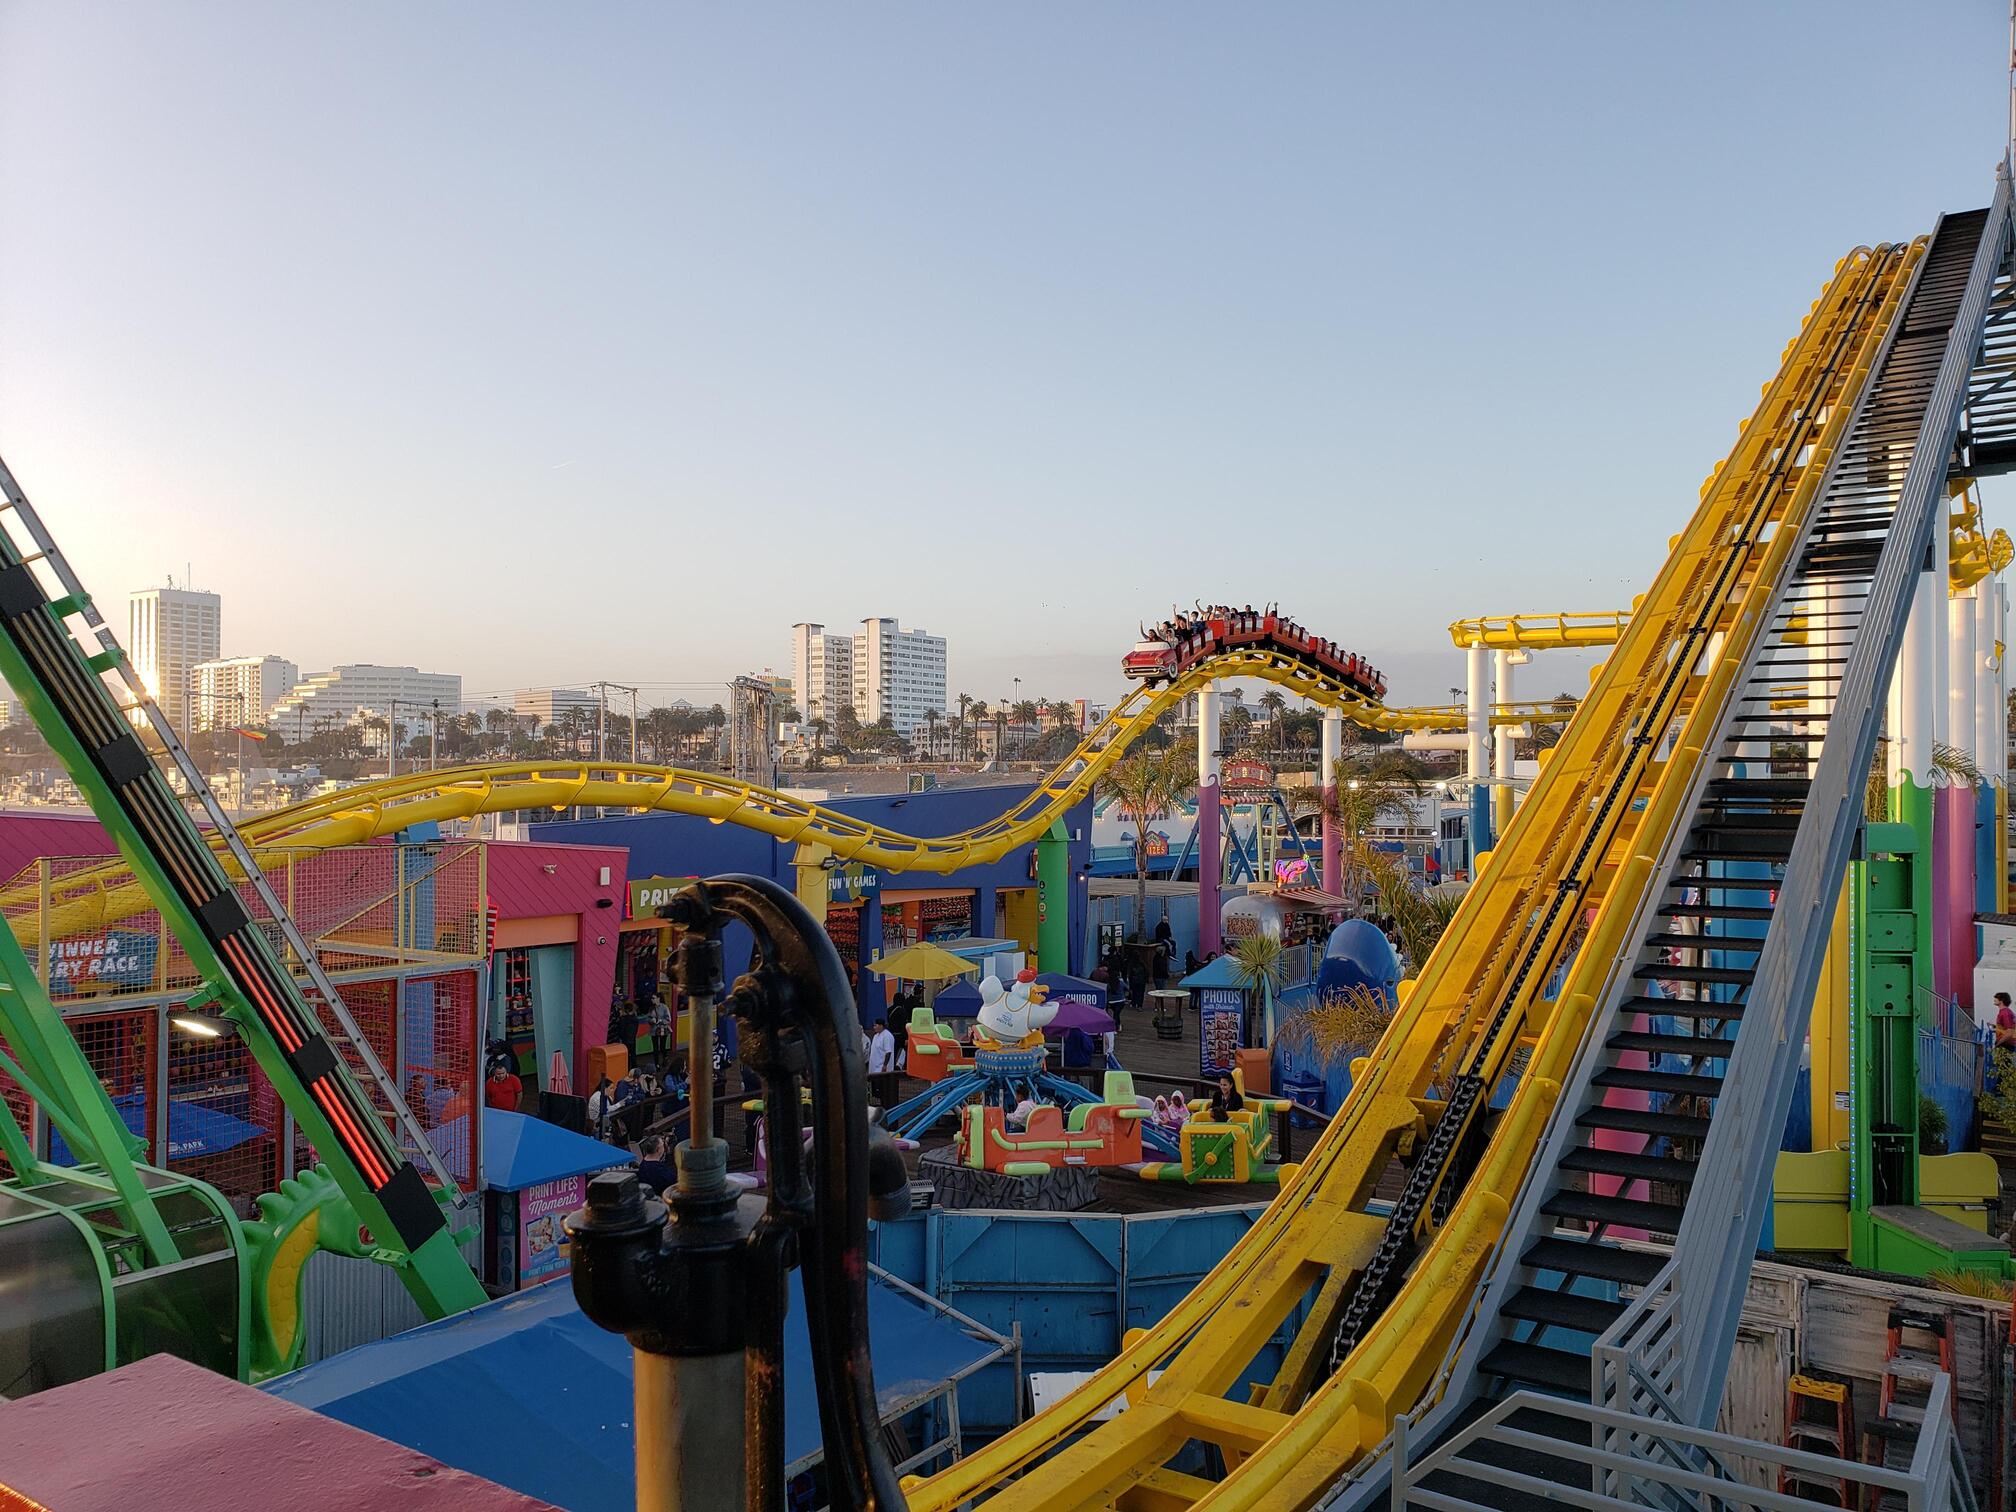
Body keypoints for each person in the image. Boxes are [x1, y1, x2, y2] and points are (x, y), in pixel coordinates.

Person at [867, 1017, 898, 1108]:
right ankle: (879, 1103)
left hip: (881, 1068)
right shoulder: (876, 1036)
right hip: (874, 1068)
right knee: (876, 1089)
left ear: (881, 1026)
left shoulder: (887, 1036)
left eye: (875, 1025)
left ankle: (885, 1105)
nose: (874, 1027)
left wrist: (885, 1065)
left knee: (883, 1089)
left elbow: (888, 1052)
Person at [634, 1134, 676, 1199]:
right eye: (663, 1145)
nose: (664, 1148)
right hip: (660, 1199)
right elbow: (673, 1181)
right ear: (658, 1149)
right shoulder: (658, 1170)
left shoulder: (643, 1164)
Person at [586, 1076, 617, 1141]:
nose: (612, 1090)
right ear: (604, 1088)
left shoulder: (608, 1097)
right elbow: (606, 1110)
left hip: (606, 1122)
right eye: (611, 1088)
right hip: (597, 1126)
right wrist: (619, 1105)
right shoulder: (596, 1097)